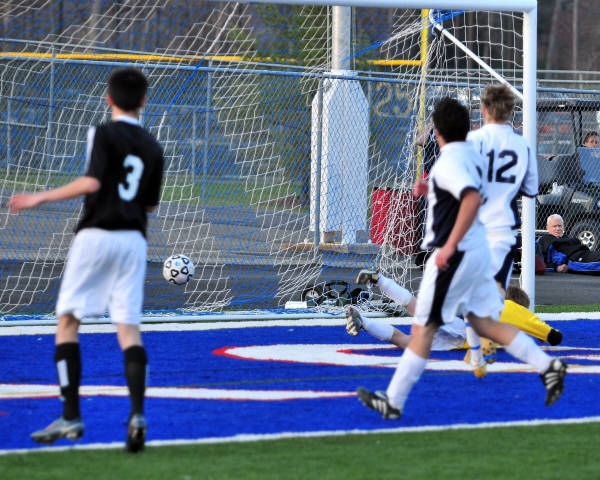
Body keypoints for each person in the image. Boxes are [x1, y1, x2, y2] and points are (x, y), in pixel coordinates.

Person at [356, 97, 566, 420]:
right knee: (484, 323)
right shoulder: (470, 155)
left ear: (436, 131)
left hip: (455, 256)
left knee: (423, 329)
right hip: (477, 252)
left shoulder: (450, 160)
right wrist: (432, 191)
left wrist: (449, 246)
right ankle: (548, 365)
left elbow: (469, 198)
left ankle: (393, 401)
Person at [8, 67, 164, 453]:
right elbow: (149, 204)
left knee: (68, 321)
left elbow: (92, 182)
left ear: (108, 99)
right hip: (133, 240)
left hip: (96, 234)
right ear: (144, 101)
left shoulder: (102, 133)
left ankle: (71, 414)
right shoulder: (153, 146)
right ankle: (137, 414)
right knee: (128, 329)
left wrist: (40, 196)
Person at [345, 270, 561, 359]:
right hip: (464, 331)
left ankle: (364, 316)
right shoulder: (515, 310)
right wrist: (550, 335)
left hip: (459, 330)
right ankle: (369, 309)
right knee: (409, 338)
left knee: (413, 321)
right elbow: (549, 333)